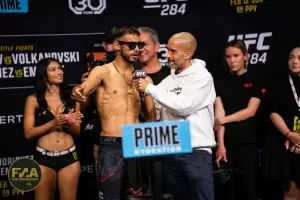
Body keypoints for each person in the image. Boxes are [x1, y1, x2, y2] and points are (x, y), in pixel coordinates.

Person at [71, 26, 156, 199]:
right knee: (110, 197)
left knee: (139, 197)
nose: (137, 50)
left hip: (137, 143)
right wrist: (77, 91)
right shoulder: (102, 72)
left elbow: (150, 116)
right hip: (112, 145)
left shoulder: (144, 78)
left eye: (139, 45)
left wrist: (147, 94)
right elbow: (84, 88)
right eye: (131, 46)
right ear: (117, 46)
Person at [135, 32, 216, 200]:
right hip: (171, 152)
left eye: (173, 51)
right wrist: (143, 97)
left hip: (196, 153)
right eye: (168, 50)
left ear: (188, 54)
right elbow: (156, 115)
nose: (168, 56)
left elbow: (185, 106)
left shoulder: (202, 76)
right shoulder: (167, 81)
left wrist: (150, 89)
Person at [23, 58, 83, 200]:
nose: (59, 72)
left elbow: (77, 132)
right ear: (44, 75)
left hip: (69, 158)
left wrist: (69, 122)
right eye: (53, 69)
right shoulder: (33, 100)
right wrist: (53, 123)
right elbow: (28, 133)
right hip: (43, 159)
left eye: (59, 68)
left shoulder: (72, 98)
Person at [213, 39, 262, 200]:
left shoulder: (255, 80)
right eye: (228, 56)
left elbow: (250, 111)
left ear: (245, 57)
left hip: (247, 143)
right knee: (228, 191)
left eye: (236, 55)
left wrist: (224, 120)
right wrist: (221, 145)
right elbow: (218, 116)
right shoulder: (220, 82)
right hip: (227, 144)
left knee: (248, 188)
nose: (232, 60)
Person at [264, 46, 300, 200]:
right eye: (291, 57)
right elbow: (272, 111)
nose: (294, 61)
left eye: (299, 58)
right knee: (290, 189)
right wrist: (290, 135)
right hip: (285, 142)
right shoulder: (278, 83)